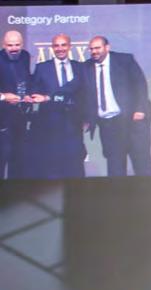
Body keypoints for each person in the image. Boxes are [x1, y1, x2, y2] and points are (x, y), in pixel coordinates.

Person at [83, 35, 151, 177]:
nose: (94, 51)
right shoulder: (86, 67)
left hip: (133, 120)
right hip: (108, 125)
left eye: (97, 48)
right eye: (91, 49)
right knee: (115, 168)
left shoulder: (124, 60)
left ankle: (148, 191)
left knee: (142, 164)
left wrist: (140, 109)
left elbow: (140, 84)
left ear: (107, 47)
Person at [28, 34, 87, 179]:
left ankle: (78, 192)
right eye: (56, 45)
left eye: (63, 45)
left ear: (69, 46)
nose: (60, 48)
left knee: (75, 166)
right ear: (52, 48)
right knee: (52, 167)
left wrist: (86, 117)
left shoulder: (80, 67)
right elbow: (34, 91)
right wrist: (33, 97)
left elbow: (86, 94)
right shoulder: (42, 68)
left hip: (74, 124)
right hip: (50, 124)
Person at [0, 30, 31, 179]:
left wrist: (27, 94)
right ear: (3, 45)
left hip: (20, 118)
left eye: (17, 45)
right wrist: (3, 97)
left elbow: (25, 80)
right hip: (2, 120)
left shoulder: (25, 56)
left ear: (22, 44)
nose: (14, 48)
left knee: (19, 161)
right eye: (10, 45)